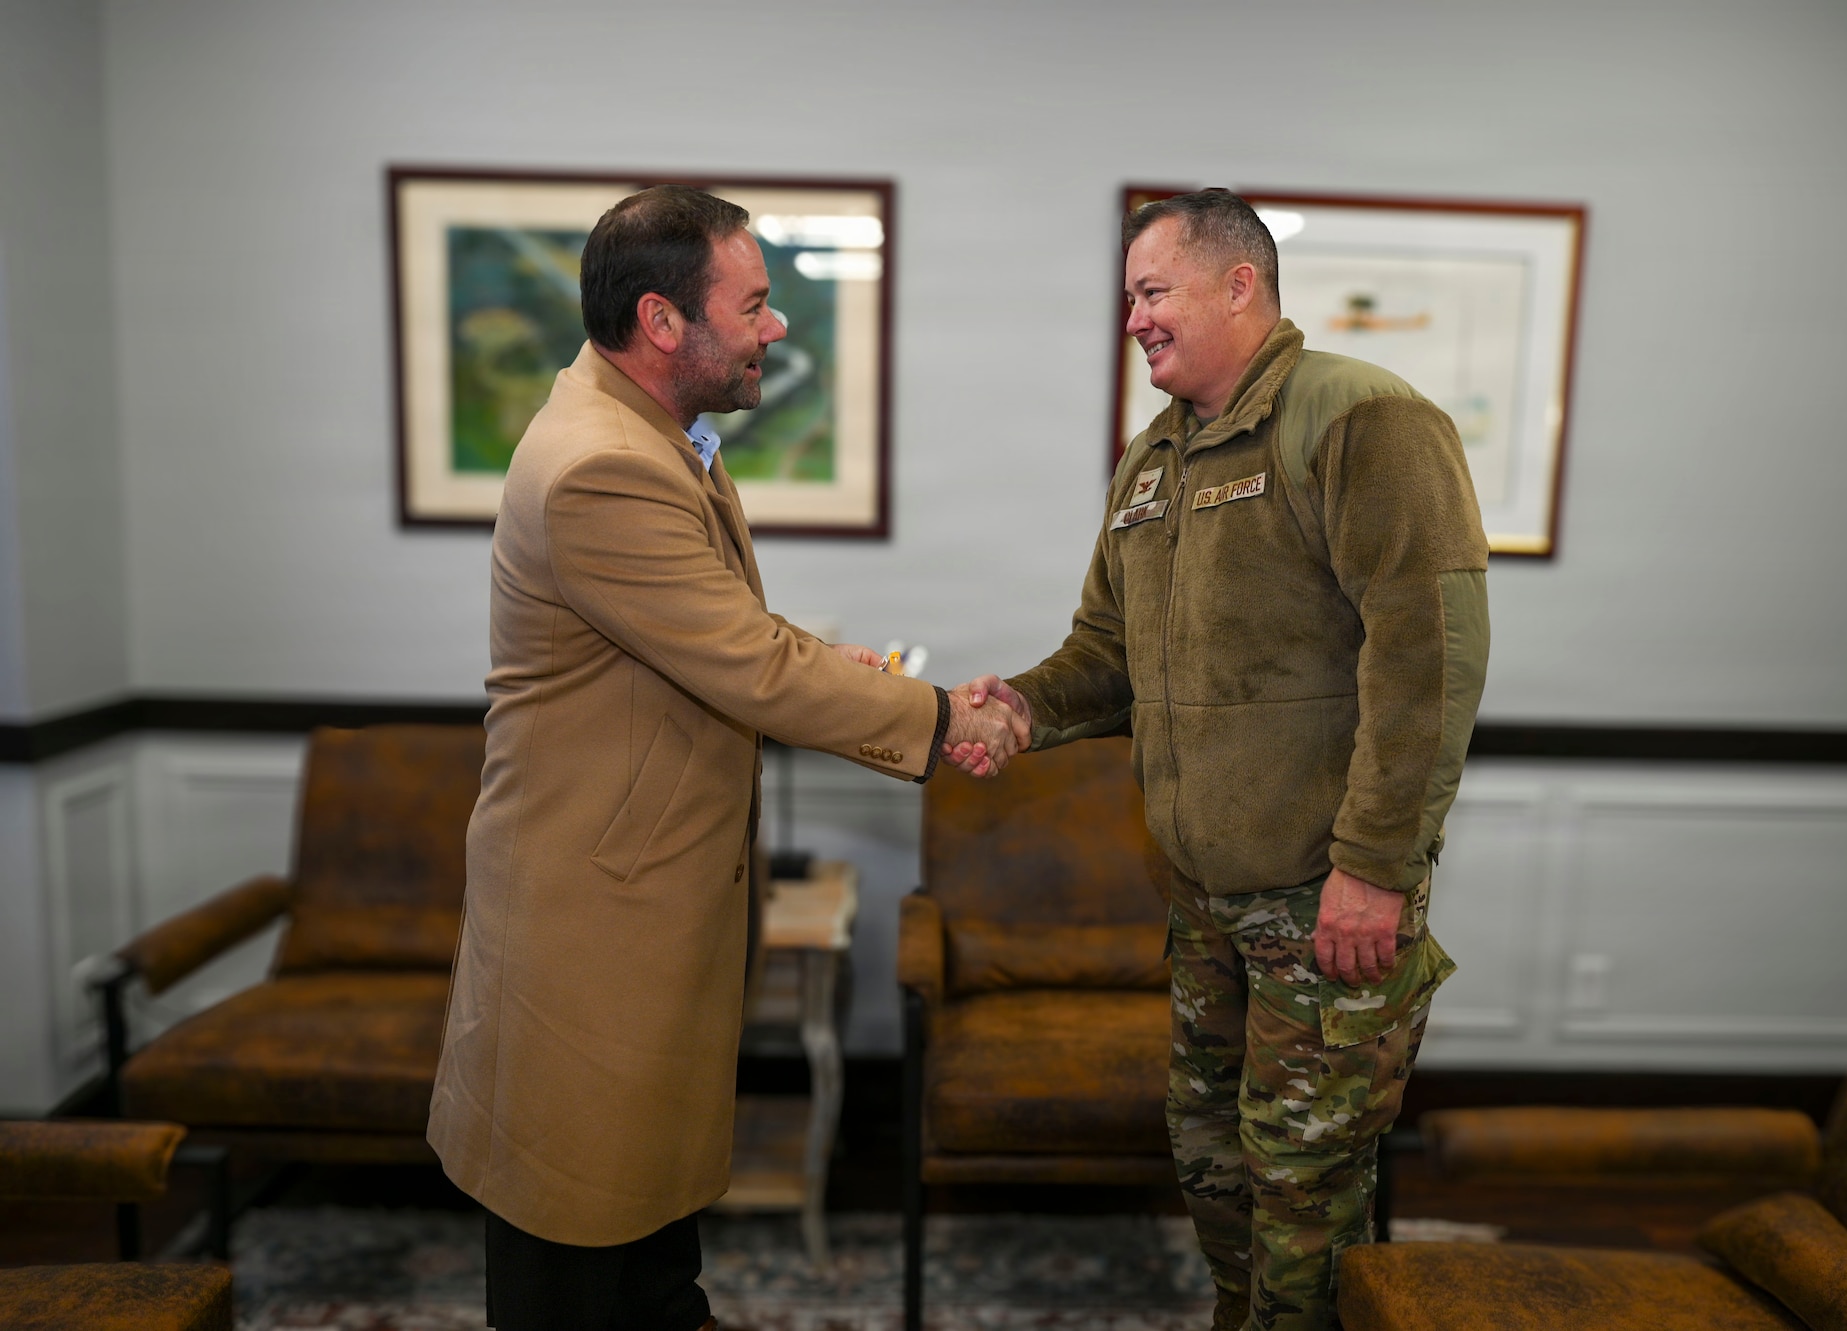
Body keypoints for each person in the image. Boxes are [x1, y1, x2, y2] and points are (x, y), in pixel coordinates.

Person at [427, 184, 1027, 1331]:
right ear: (664, 320)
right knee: (580, 1274)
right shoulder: (603, 464)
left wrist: (835, 663)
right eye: (753, 305)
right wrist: (938, 712)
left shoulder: (645, 434)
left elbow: (715, 630)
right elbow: (746, 663)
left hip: (632, 913)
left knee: (648, 1261)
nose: (775, 328)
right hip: (591, 937)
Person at [957, 189, 1489, 1330]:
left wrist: (1375, 867)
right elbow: (1106, 652)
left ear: (1237, 283)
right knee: (1211, 1160)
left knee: (1303, 1182)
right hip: (1204, 898)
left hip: (1322, 893)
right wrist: (1015, 711)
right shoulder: (1154, 456)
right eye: (1129, 298)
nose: (1135, 319)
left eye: (1152, 292)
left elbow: (1427, 660)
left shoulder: (1359, 418)